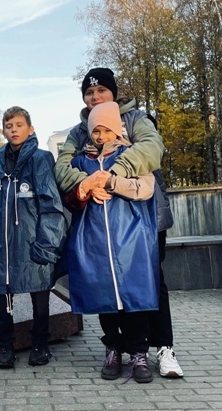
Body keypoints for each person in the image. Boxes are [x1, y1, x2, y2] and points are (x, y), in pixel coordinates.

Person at [53, 66, 184, 378]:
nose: (95, 97)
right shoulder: (80, 130)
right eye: (89, 92)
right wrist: (88, 183)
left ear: (113, 91)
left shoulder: (136, 119)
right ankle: (121, 348)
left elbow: (151, 149)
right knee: (107, 283)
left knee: (150, 281)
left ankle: (163, 348)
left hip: (146, 218)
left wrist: (114, 173)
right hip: (100, 221)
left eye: (101, 91)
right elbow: (61, 166)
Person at [63, 101, 159, 383]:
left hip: (129, 238)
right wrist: (86, 186)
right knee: (106, 299)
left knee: (135, 298)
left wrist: (112, 183)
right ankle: (113, 349)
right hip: (95, 241)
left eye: (107, 130)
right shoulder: (81, 162)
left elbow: (146, 188)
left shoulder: (131, 155)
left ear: (116, 129)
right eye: (96, 131)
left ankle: (138, 353)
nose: (101, 136)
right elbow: (68, 193)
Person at [0, 106, 67, 369]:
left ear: (30, 129)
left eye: (19, 125)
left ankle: (40, 344)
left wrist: (47, 243)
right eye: (9, 126)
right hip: (5, 243)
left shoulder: (40, 159)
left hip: (33, 241)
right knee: (2, 297)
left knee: (40, 295)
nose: (14, 130)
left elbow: (51, 205)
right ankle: (5, 347)